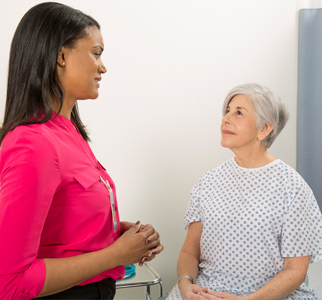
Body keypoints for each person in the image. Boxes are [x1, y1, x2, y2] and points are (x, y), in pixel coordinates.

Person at [0, 2, 163, 300]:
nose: (103, 66)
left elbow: (61, 226)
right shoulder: (32, 144)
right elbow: (10, 282)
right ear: (61, 55)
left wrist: (119, 236)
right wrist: (115, 254)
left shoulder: (68, 133)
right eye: (96, 53)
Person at [167, 83, 322, 300]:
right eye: (227, 111)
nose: (226, 119)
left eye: (238, 113)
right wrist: (185, 285)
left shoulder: (293, 188)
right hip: (206, 291)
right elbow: (190, 252)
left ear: (264, 129)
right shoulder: (208, 182)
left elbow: (295, 270)